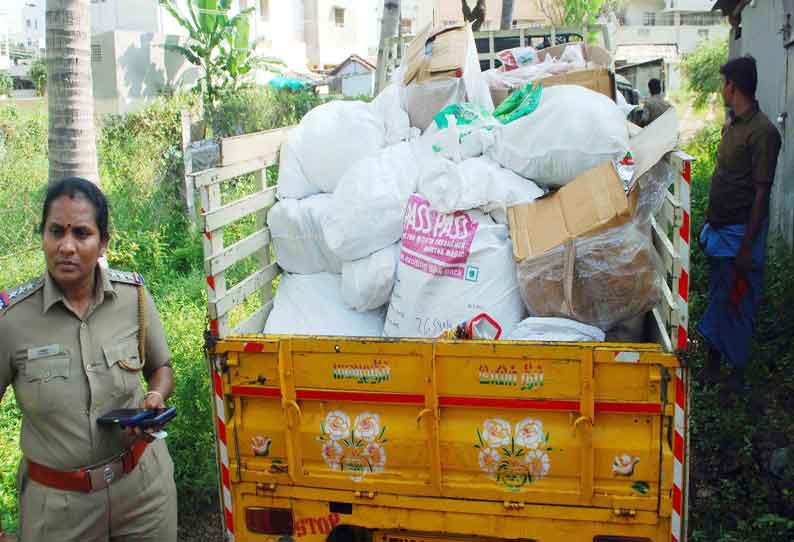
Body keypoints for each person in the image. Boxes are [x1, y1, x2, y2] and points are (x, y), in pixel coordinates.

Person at [0, 178, 177, 541]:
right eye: (56, 231)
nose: (66, 246)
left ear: (102, 243)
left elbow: (161, 368)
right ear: (43, 236)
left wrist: (155, 398)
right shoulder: (12, 319)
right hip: (59, 510)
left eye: (81, 233)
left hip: (143, 493)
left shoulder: (134, 299)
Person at [696, 56, 782, 392]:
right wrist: (706, 222)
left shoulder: (763, 133)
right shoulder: (732, 126)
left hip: (740, 235)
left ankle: (736, 376)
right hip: (720, 231)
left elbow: (761, 193)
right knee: (720, 297)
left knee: (739, 302)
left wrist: (746, 247)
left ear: (733, 85)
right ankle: (713, 366)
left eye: (724, 84)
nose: (721, 90)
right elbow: (723, 178)